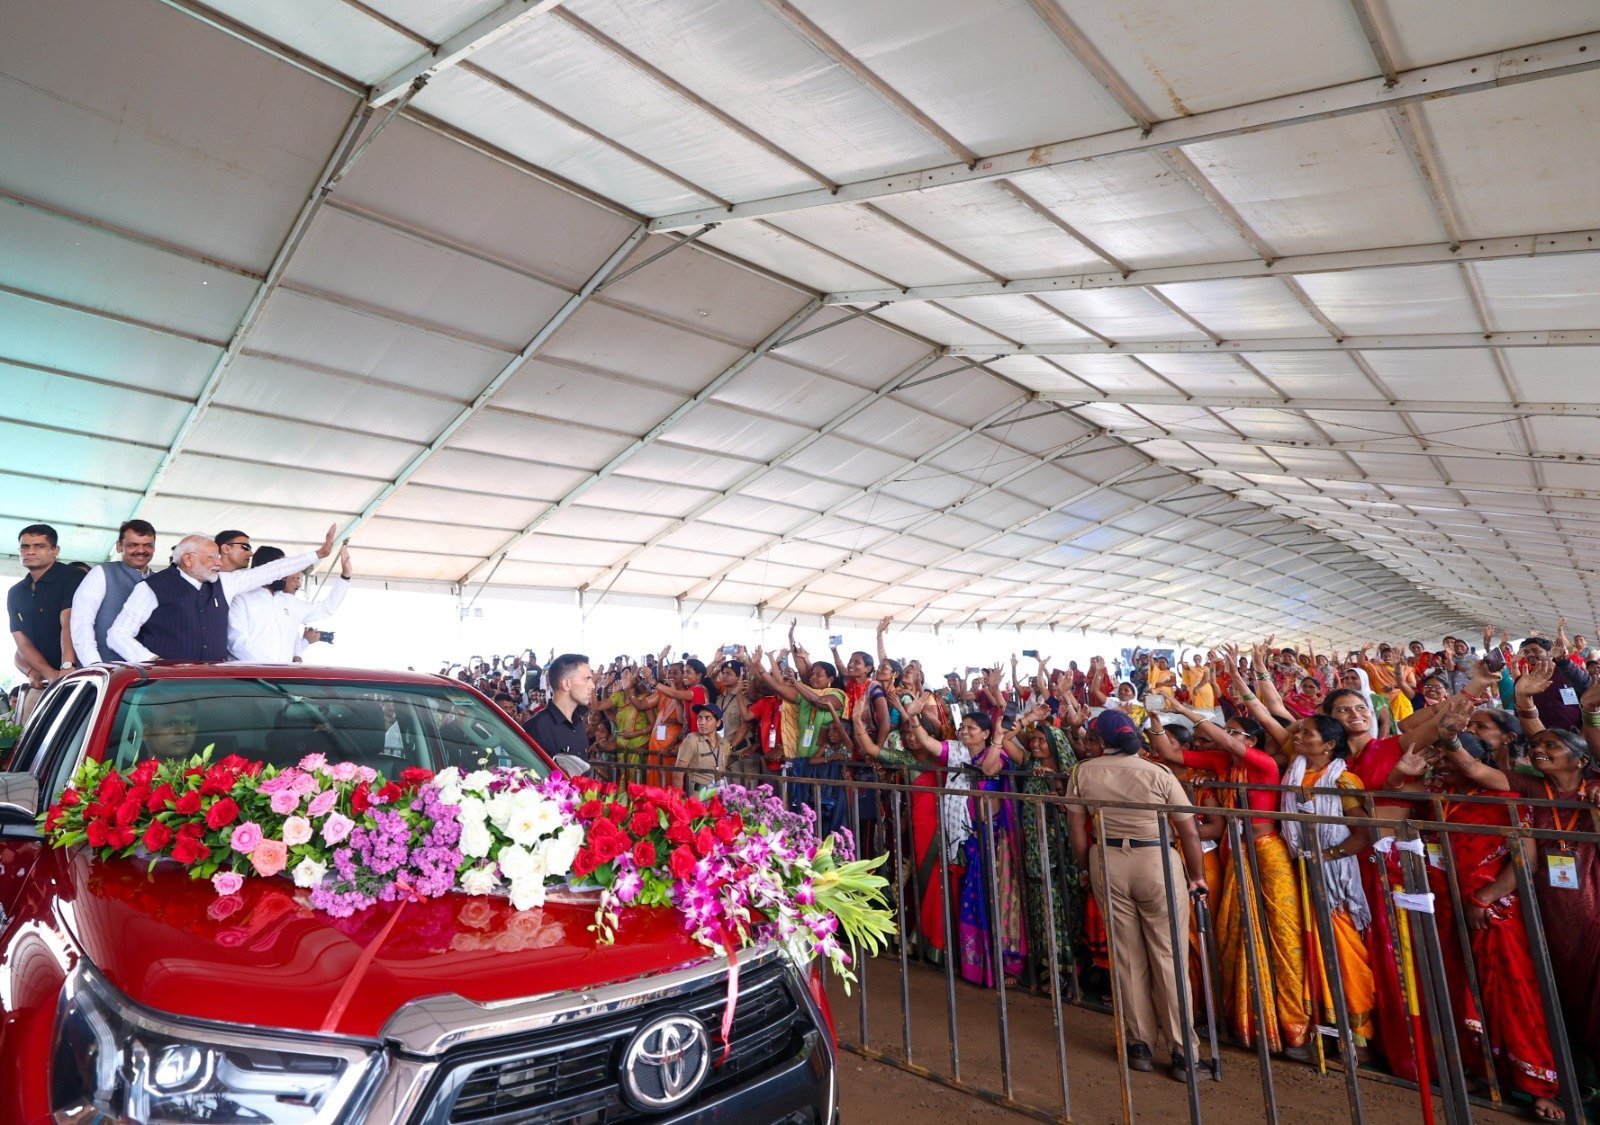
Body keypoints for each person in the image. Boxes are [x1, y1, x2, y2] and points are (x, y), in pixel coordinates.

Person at [1068, 710, 1206, 1081]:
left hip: (1108, 859)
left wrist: (1087, 868)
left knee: (1127, 956)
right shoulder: (1156, 772)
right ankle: (1183, 1053)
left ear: (1101, 742)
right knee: (1168, 954)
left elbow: (1078, 830)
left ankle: (1138, 1045)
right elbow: (1189, 832)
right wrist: (1197, 876)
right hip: (1156, 860)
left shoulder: (1084, 771)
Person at [107, 526, 336, 662]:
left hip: (214, 687)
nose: (219, 562)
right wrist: (153, 664)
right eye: (212, 557)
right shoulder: (152, 587)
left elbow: (269, 571)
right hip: (167, 690)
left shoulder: (225, 583)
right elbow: (118, 635)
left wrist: (317, 555)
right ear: (188, 559)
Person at [227, 545, 352, 662]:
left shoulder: (290, 602)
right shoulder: (241, 599)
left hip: (281, 679)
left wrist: (345, 576)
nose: (286, 574)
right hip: (250, 679)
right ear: (266, 569)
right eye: (282, 569)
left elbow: (326, 609)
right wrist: (272, 668)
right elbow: (237, 643)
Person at [9, 524, 85, 707]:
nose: (30, 552)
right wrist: (48, 673)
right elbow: (21, 641)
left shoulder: (72, 577)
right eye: (25, 546)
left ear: (55, 550)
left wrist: (67, 667)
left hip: (80, 673)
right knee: (28, 729)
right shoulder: (16, 592)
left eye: (39, 546)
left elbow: (69, 622)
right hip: (46, 679)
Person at [69, 519, 157, 665]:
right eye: (133, 545)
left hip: (148, 673)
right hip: (104, 671)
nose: (141, 550)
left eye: (147, 545)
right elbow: (82, 622)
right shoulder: (102, 573)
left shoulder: (159, 581)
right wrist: (94, 665)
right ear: (119, 546)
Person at [521, 652, 595, 764]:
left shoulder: (578, 723)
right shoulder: (536, 728)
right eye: (587, 679)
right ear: (566, 684)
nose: (592, 685)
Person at [675, 702, 728, 792]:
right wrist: (679, 800)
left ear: (718, 723)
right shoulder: (691, 740)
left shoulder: (725, 744)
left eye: (708, 718)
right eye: (700, 718)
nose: (702, 722)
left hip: (719, 794)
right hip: (699, 796)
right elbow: (678, 774)